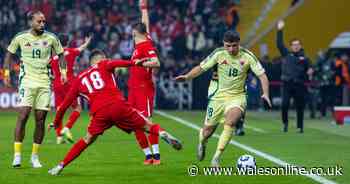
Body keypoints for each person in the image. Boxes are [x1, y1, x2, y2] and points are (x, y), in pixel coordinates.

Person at [48, 49, 182, 175]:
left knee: (87, 139)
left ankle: (60, 165)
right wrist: (134, 62)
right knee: (147, 126)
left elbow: (64, 105)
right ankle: (162, 133)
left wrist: (55, 123)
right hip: (118, 105)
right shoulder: (104, 63)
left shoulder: (79, 79)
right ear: (99, 59)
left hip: (100, 113)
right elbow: (118, 63)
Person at [175, 30, 271, 166]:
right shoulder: (218, 53)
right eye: (228, 46)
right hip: (218, 97)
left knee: (231, 123)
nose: (231, 49)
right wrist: (187, 77)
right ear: (223, 44)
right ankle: (202, 142)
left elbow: (262, 75)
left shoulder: (248, 56)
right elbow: (201, 68)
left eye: (234, 45)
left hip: (237, 96)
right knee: (207, 131)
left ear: (239, 44)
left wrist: (265, 93)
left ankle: (216, 157)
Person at [3, 11, 65, 168]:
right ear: (30, 22)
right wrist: (7, 73)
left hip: (44, 82)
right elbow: (9, 55)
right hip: (27, 81)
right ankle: (17, 156)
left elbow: (61, 55)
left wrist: (63, 73)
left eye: (44, 21)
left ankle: (34, 157)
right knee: (23, 116)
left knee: (40, 120)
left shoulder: (51, 38)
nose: (42, 24)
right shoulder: (21, 37)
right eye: (39, 21)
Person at [127, 0, 162, 165]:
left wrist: (143, 64)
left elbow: (157, 62)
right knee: (135, 123)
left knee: (147, 121)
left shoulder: (146, 45)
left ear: (135, 32)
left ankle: (157, 155)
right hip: (133, 89)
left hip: (143, 88)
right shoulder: (139, 43)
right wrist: (144, 8)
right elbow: (145, 24)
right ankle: (148, 155)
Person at [49, 34, 92, 144]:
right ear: (67, 42)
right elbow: (82, 48)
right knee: (77, 108)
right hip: (69, 83)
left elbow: (49, 72)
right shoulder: (71, 51)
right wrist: (87, 42)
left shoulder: (54, 58)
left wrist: (52, 77)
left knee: (60, 109)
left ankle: (59, 137)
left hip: (57, 84)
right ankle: (66, 128)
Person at [276, 20, 312, 133]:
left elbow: (310, 68)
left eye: (298, 45)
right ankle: (285, 123)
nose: (296, 46)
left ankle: (300, 127)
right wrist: (279, 30)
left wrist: (311, 71)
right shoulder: (287, 54)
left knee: (300, 106)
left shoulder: (305, 58)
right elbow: (279, 44)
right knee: (284, 104)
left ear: (300, 46)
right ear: (291, 46)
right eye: (294, 45)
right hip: (287, 83)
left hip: (299, 84)